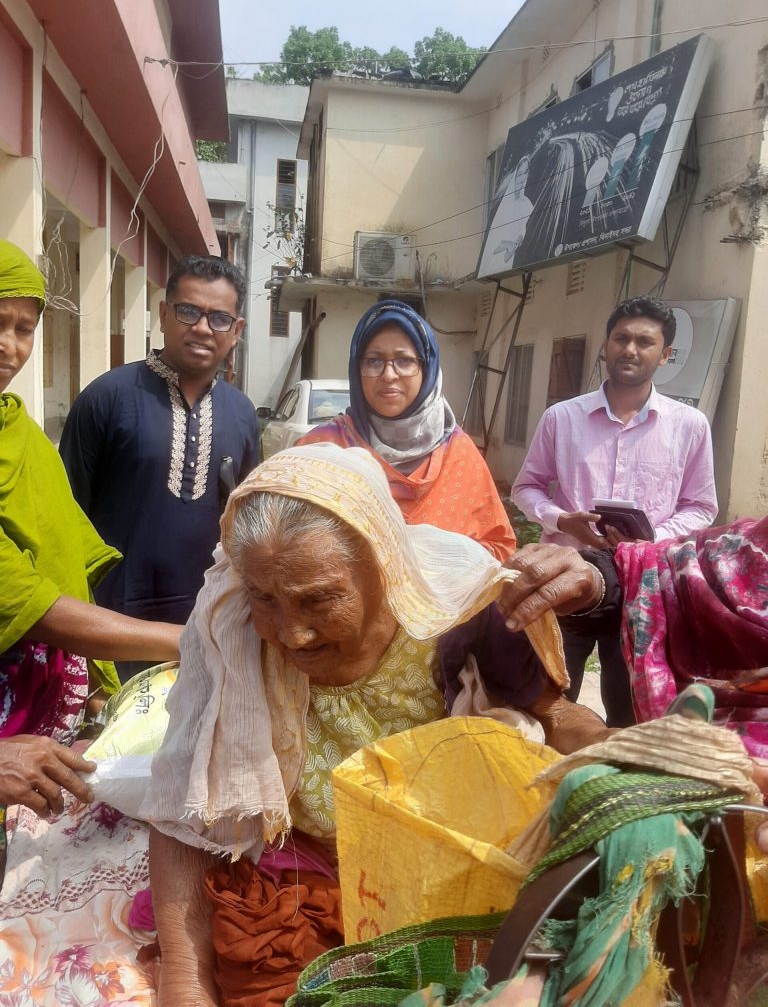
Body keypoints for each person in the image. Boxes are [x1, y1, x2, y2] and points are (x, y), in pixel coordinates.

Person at [144, 443, 609, 1007]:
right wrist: (186, 980)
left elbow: (554, 717)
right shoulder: (228, 624)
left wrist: (622, 753)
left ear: (384, 564)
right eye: (266, 598)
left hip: (447, 871)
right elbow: (181, 806)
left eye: (319, 601)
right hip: (303, 868)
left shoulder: (460, 606)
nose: (292, 635)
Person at [0, 240, 181, 821]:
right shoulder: (108, 398)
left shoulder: (21, 435)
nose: (10, 345)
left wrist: (96, 691)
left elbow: (69, 565)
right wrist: (191, 641)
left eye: (24, 329)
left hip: (35, 722)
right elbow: (29, 600)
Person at [511, 296, 717, 726]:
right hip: (568, 576)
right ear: (606, 345)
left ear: (665, 355)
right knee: (549, 695)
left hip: (645, 584)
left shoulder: (689, 425)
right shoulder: (561, 418)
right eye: (621, 338)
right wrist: (561, 520)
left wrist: (652, 539)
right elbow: (526, 488)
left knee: (630, 704)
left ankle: (614, 781)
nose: (630, 349)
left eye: (645, 342)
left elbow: (701, 506)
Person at [59, 255, 261, 677]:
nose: (203, 328)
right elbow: (65, 518)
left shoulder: (242, 414)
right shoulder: (106, 398)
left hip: (208, 628)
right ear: (164, 313)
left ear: (236, 330)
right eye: (189, 311)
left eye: (219, 318)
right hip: (110, 627)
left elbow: (248, 526)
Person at [298, 299, 516, 561]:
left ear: (427, 369)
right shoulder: (322, 449)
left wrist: (439, 563)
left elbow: (498, 546)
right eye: (373, 361)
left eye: (404, 360)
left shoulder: (458, 453)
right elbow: (281, 540)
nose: (389, 375)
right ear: (357, 370)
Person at [477, 156, 534, 278]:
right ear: (514, 176)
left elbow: (527, 230)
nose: (521, 179)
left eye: (525, 173)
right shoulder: (504, 206)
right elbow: (493, 243)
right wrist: (507, 244)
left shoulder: (528, 205)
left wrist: (519, 239)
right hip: (496, 264)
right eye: (519, 174)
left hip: (514, 263)